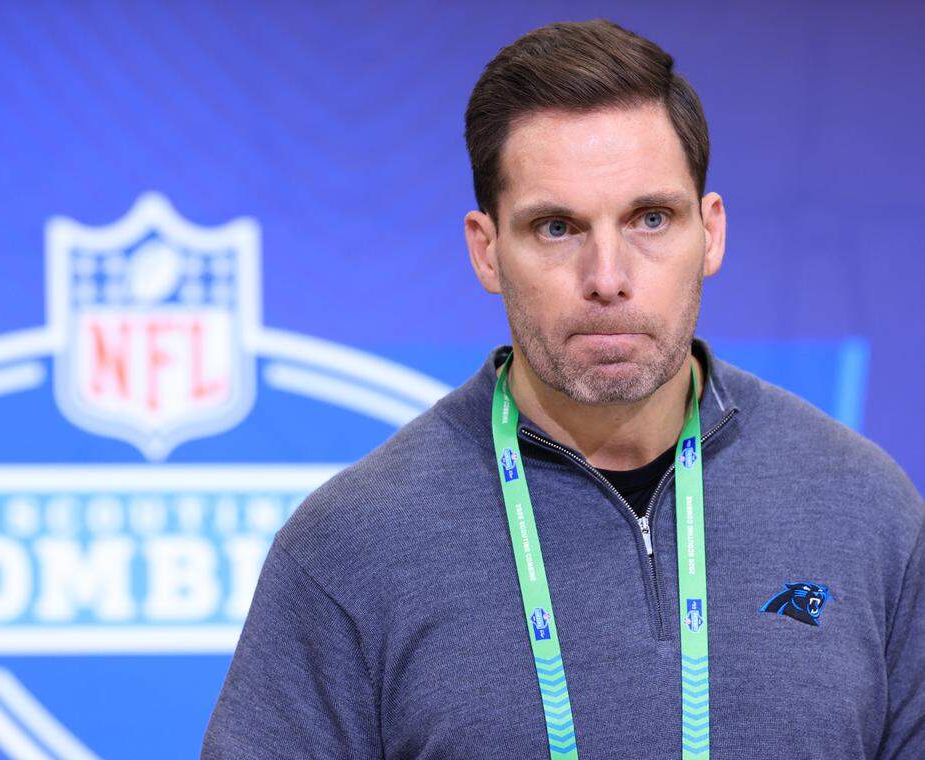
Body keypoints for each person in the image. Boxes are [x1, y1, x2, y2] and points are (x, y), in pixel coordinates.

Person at [203, 19, 923, 759]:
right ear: (486, 252)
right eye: (556, 228)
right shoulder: (351, 547)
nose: (607, 278)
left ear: (710, 233)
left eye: (651, 218)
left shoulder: (866, 510)